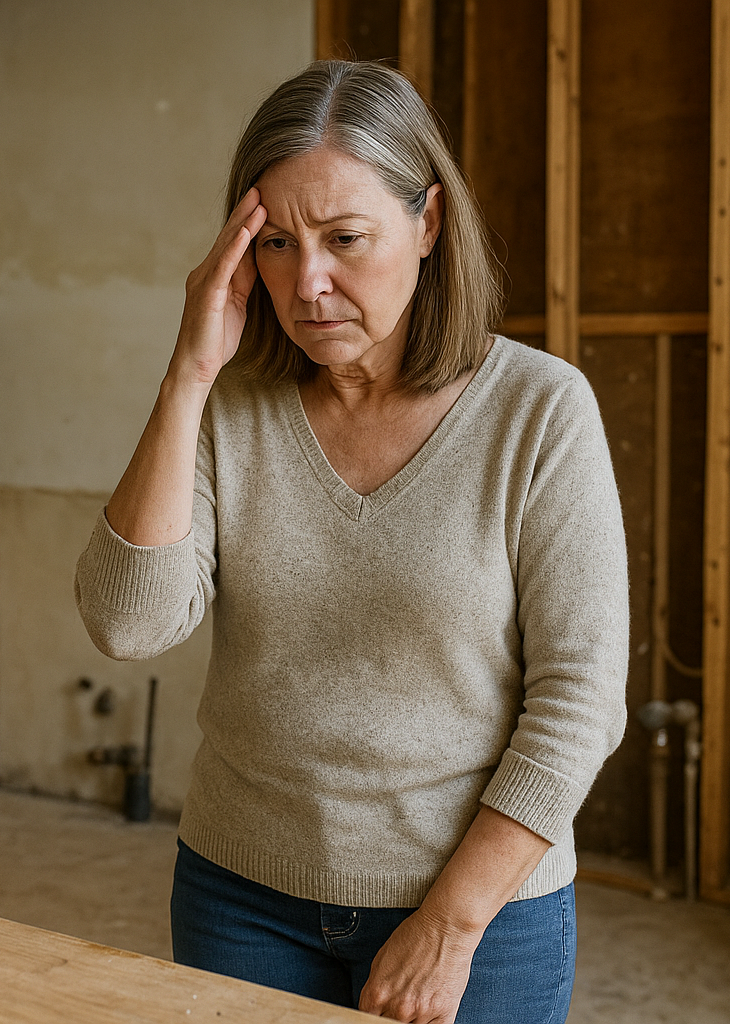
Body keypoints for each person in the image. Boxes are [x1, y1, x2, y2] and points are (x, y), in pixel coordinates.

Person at [74, 60, 627, 1024]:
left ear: (429, 224)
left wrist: (449, 925)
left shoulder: (540, 411)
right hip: (239, 893)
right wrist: (188, 372)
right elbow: (129, 625)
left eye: (345, 238)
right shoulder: (226, 408)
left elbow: (581, 703)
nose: (308, 282)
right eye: (277, 243)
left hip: (479, 909)